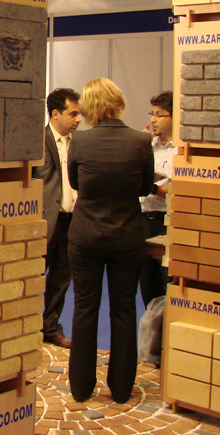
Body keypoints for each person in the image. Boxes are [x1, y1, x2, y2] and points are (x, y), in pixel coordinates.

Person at [66, 78, 153, 404]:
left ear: (89, 107)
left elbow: (76, 182)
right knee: (124, 309)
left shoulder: (80, 141)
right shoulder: (141, 141)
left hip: (85, 236)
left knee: (84, 308)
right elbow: (145, 188)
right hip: (127, 237)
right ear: (118, 102)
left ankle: (81, 386)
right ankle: (121, 388)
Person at [33, 88, 81, 348]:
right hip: (43, 222)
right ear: (55, 114)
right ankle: (26, 328)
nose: (78, 119)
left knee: (61, 280)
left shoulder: (80, 143)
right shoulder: (37, 141)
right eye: (73, 114)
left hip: (72, 222)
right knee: (33, 277)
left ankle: (50, 328)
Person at [140, 91, 176, 308]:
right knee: (148, 287)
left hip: (167, 223)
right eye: (152, 114)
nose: (153, 120)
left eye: (160, 115)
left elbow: (179, 192)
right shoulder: (147, 146)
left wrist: (152, 187)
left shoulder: (181, 151)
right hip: (143, 222)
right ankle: (152, 328)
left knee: (169, 283)